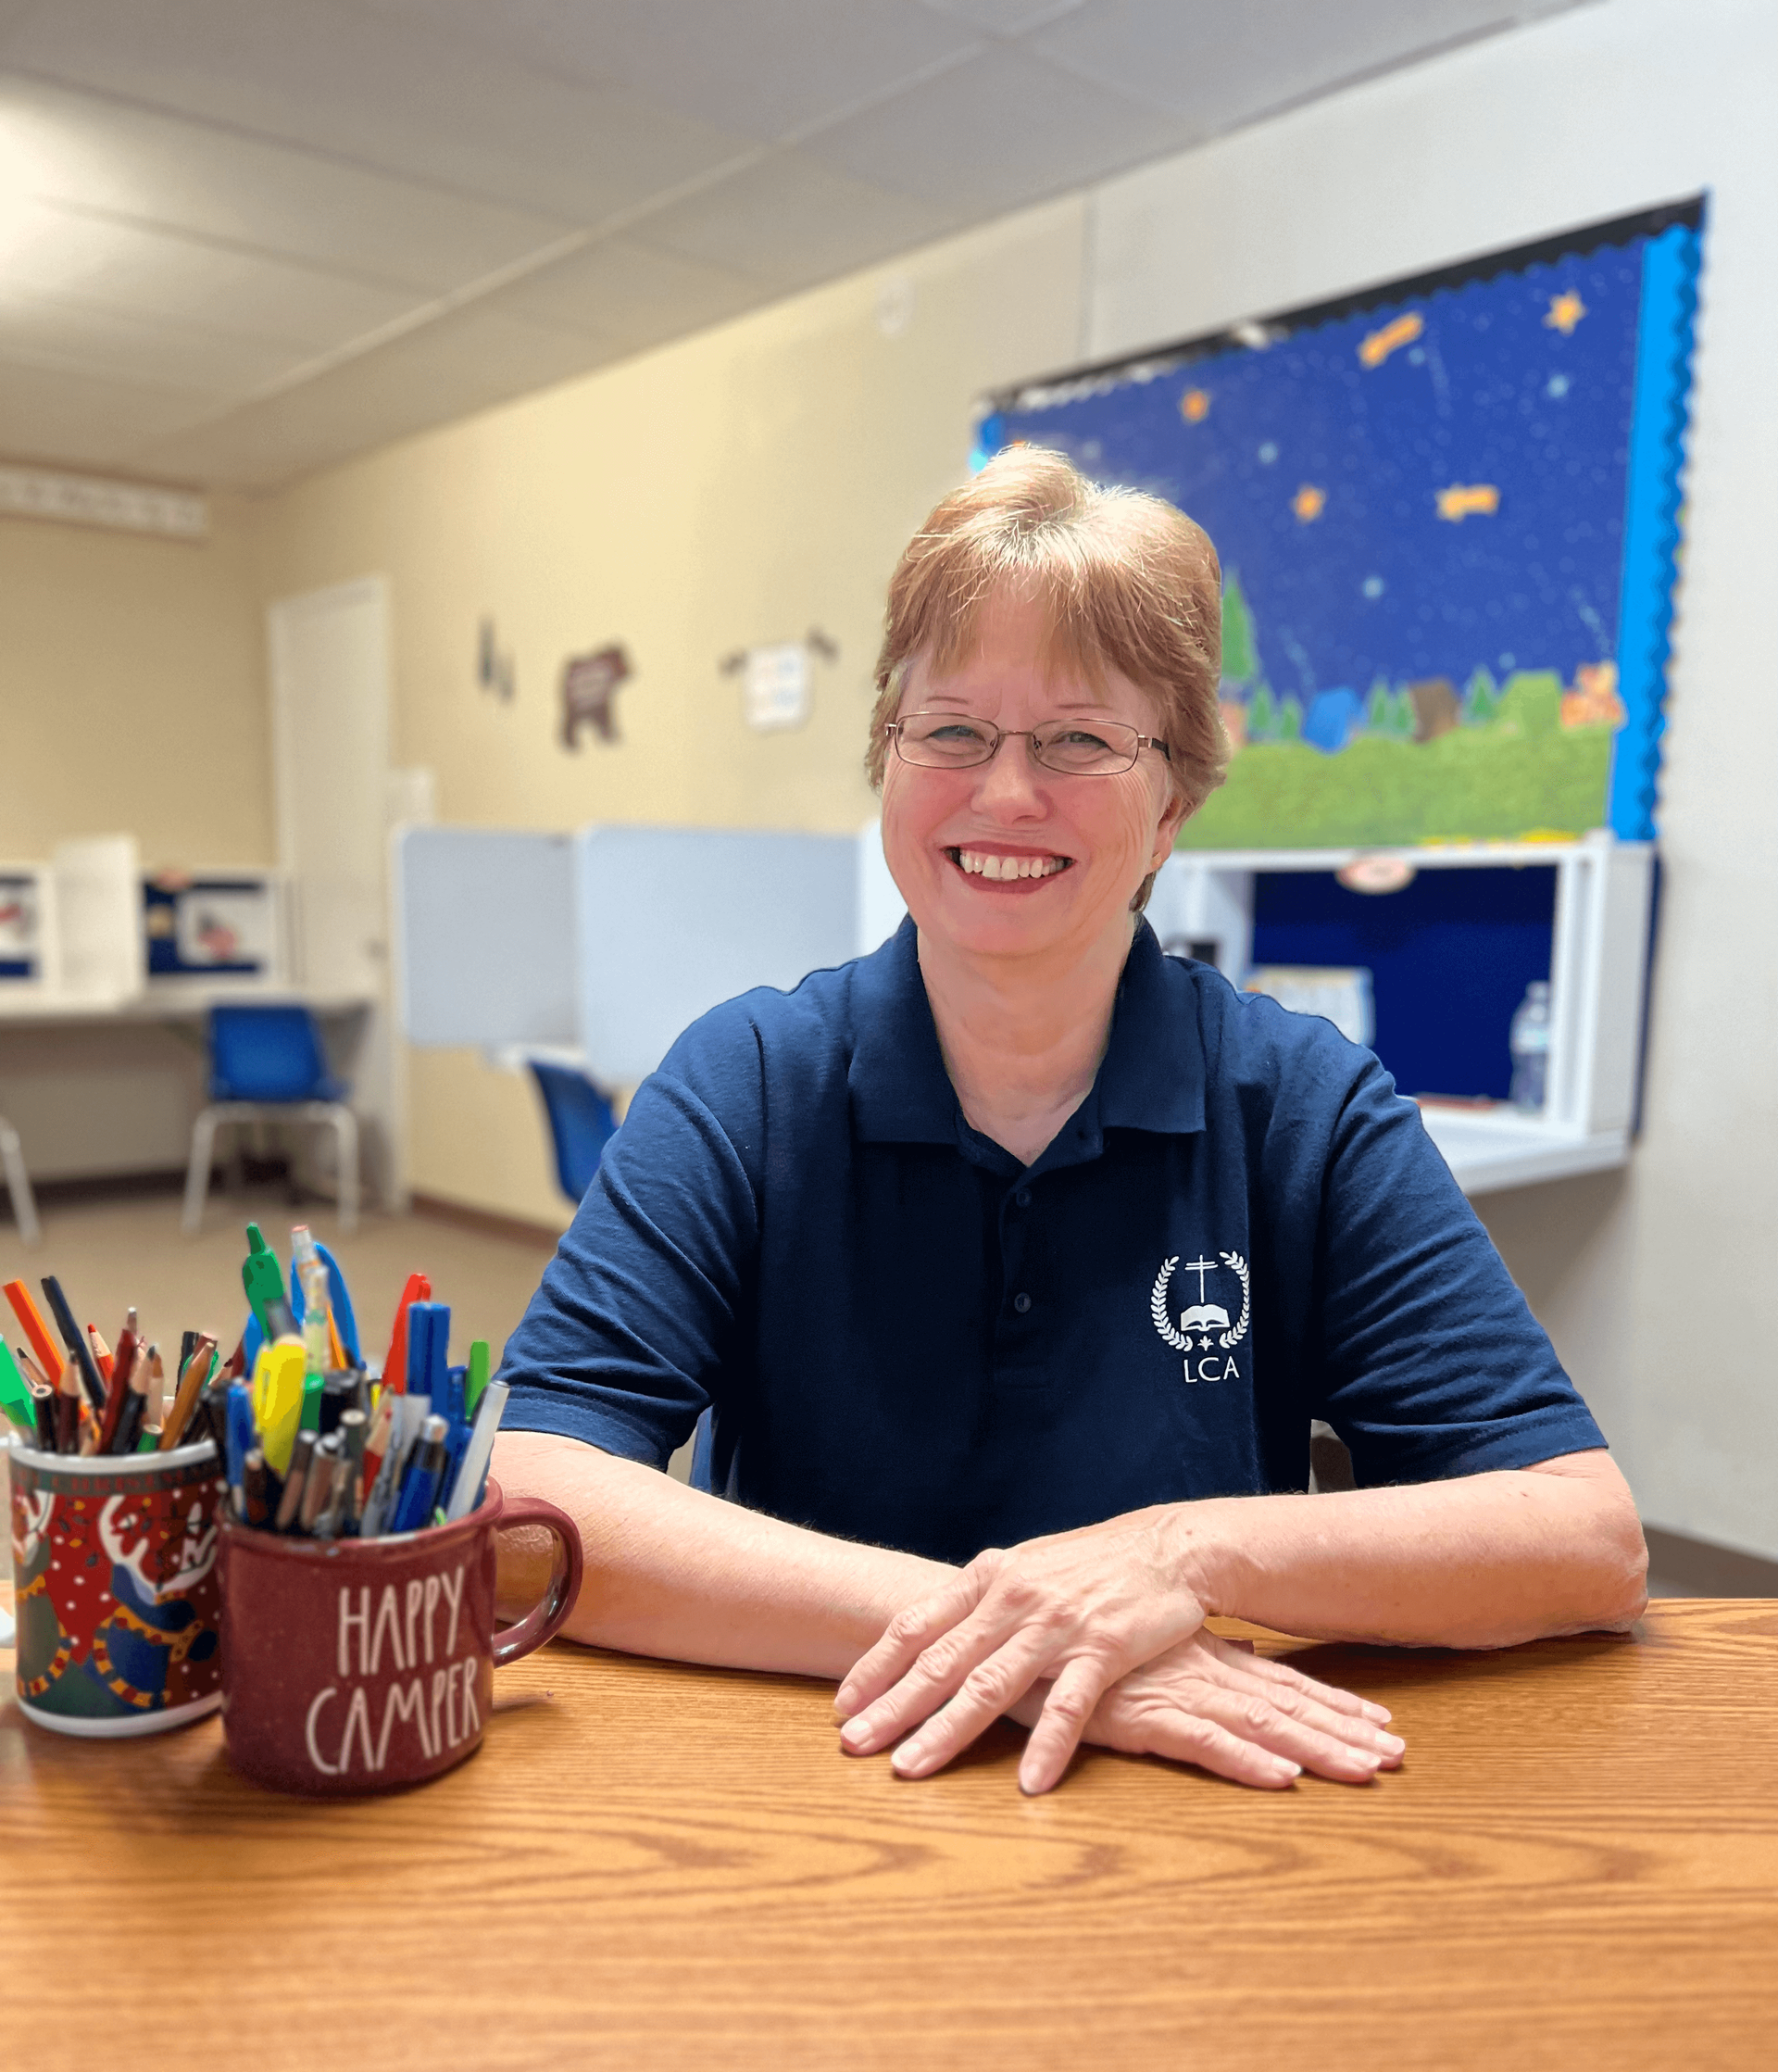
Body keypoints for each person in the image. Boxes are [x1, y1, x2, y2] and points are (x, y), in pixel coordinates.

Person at [494, 447, 1647, 1797]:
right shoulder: (746, 1078)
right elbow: (530, 1499)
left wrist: (1173, 1556)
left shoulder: (1302, 1105)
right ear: (887, 761)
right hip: (821, 1774)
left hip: (1199, 1806)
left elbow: (1583, 1538)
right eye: (951, 731)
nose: (1003, 793)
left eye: (1081, 741)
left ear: (1172, 805)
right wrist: (1040, 1640)